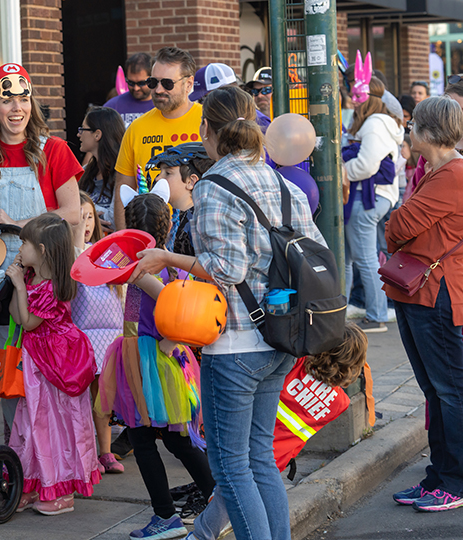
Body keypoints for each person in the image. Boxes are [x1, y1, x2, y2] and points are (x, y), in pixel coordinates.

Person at [133, 86, 325, 540]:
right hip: (280, 338)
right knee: (259, 457)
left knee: (231, 465)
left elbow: (226, 268)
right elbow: (315, 249)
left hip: (237, 342)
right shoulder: (283, 182)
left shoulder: (216, 185)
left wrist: (167, 259)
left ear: (207, 131)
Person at [0, 62, 83, 435]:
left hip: (42, 275)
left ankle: (52, 456)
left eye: (23, 99)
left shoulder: (53, 150)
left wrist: (18, 224)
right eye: (8, 101)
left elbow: (72, 213)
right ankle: (11, 453)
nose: (17, 109)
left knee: (44, 366)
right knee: (2, 366)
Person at [98, 193, 213, 539]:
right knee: (178, 441)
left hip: (148, 360)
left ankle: (166, 517)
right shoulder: (173, 263)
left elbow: (169, 300)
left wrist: (136, 274)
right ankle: (220, 501)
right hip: (161, 359)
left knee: (145, 440)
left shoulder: (145, 268)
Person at [188, 323, 370, 540]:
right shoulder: (340, 403)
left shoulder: (298, 365)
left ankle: (200, 536)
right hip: (279, 458)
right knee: (238, 496)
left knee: (228, 492)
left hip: (250, 443)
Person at [385, 96, 463, 513]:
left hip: (438, 297)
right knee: (437, 391)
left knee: (450, 392)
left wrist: (399, 220)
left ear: (430, 133)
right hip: (422, 293)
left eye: (413, 125)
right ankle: (440, 476)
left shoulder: (451, 175)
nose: (408, 130)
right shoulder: (434, 171)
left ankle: (454, 481)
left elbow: (397, 227)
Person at [7, 213, 99, 515]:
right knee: (33, 424)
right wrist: (18, 284)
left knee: (54, 426)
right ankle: (35, 484)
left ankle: (61, 490)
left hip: (55, 364)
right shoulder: (34, 279)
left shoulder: (53, 286)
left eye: (25, 243)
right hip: (38, 362)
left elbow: (30, 323)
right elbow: (17, 317)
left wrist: (20, 287)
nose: (20, 248)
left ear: (43, 249)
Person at [114, 47, 203, 230]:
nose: (158, 89)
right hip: (149, 235)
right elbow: (123, 188)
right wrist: (126, 239)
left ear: (188, 84)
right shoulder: (137, 128)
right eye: (153, 82)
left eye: (167, 84)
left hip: (200, 232)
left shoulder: (207, 122)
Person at [342, 76, 403, 333]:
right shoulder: (378, 123)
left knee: (365, 258)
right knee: (344, 257)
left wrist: (341, 171)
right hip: (362, 196)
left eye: (356, 99)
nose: (352, 104)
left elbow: (367, 165)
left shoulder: (376, 123)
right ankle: (340, 312)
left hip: (366, 196)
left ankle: (377, 315)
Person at [71, 191, 125, 474]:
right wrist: (77, 234)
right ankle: (87, 454)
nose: (86, 222)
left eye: (89, 216)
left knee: (102, 398)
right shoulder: (70, 254)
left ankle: (105, 451)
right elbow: (77, 262)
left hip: (109, 336)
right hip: (82, 337)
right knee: (81, 400)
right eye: (80, 217)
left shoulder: (108, 251)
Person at [77, 106, 125, 232]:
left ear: (97, 134)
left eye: (82, 129)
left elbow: (114, 221)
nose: (78, 134)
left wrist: (86, 214)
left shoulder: (123, 173)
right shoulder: (85, 171)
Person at [104, 53, 156, 126]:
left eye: (141, 83)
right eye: (131, 82)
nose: (136, 88)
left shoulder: (164, 106)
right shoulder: (112, 106)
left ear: (153, 79)